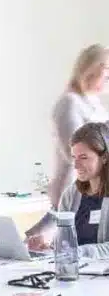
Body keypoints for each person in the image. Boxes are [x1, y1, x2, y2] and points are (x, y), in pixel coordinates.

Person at [27, 122, 109, 259]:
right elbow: (63, 244)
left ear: (104, 157)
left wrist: (77, 252)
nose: (76, 165)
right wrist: (48, 248)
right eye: (74, 157)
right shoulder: (71, 195)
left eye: (83, 157)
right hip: (72, 272)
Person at [46, 44, 109, 209]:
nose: (107, 78)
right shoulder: (69, 103)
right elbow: (76, 154)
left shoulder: (93, 102)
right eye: (106, 72)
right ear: (90, 70)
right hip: (74, 194)